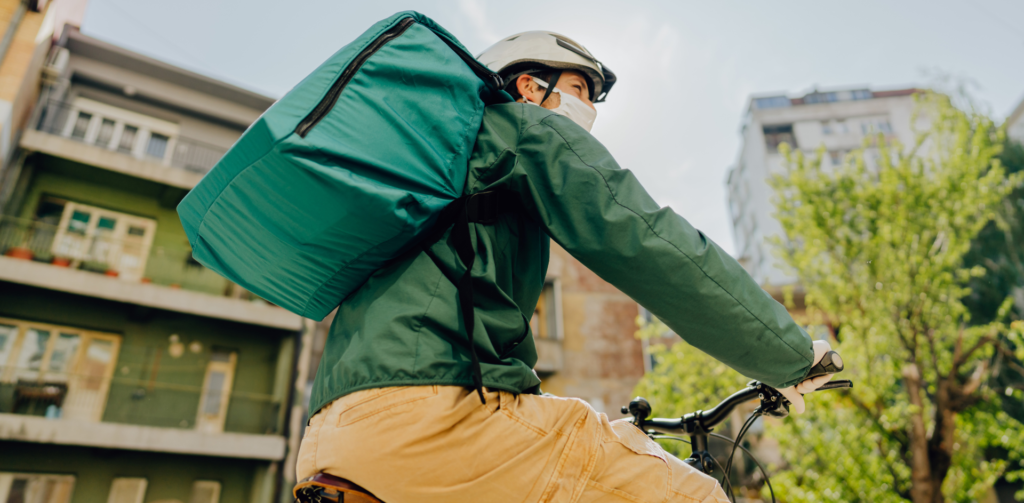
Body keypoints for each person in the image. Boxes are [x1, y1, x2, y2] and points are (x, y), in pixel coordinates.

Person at [295, 30, 836, 503]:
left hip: (331, 435)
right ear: (532, 88)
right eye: (580, 90)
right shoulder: (523, 129)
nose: (590, 110)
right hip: (437, 420)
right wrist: (785, 355)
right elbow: (648, 242)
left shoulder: (436, 170)